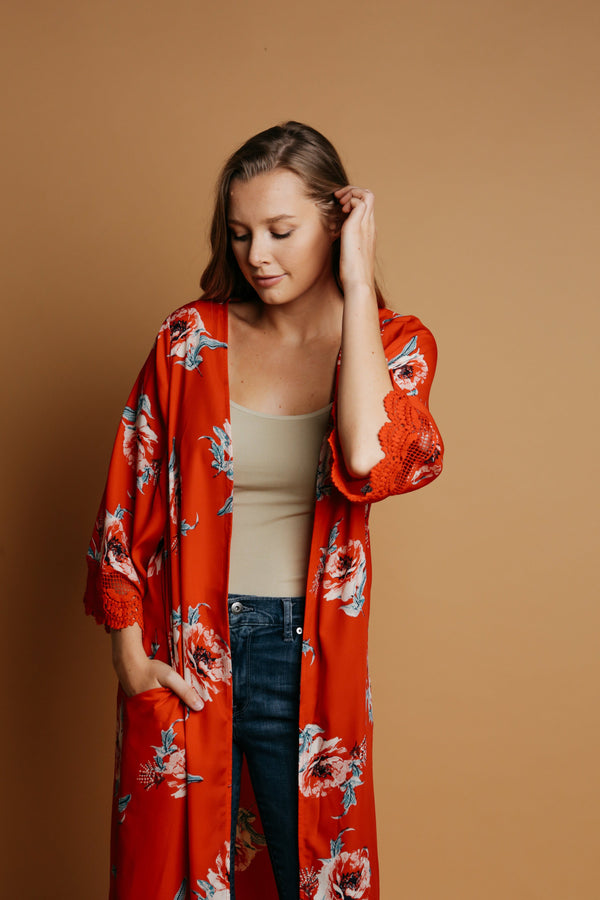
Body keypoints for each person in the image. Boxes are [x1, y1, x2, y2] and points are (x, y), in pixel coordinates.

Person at [84, 121, 444, 900]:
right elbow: (125, 499)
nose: (257, 255)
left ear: (337, 223)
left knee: (313, 876)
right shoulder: (189, 340)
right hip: (187, 648)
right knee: (172, 879)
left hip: (304, 652)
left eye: (282, 231)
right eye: (241, 233)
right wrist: (129, 659)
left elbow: (367, 455)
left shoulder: (397, 346)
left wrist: (357, 285)